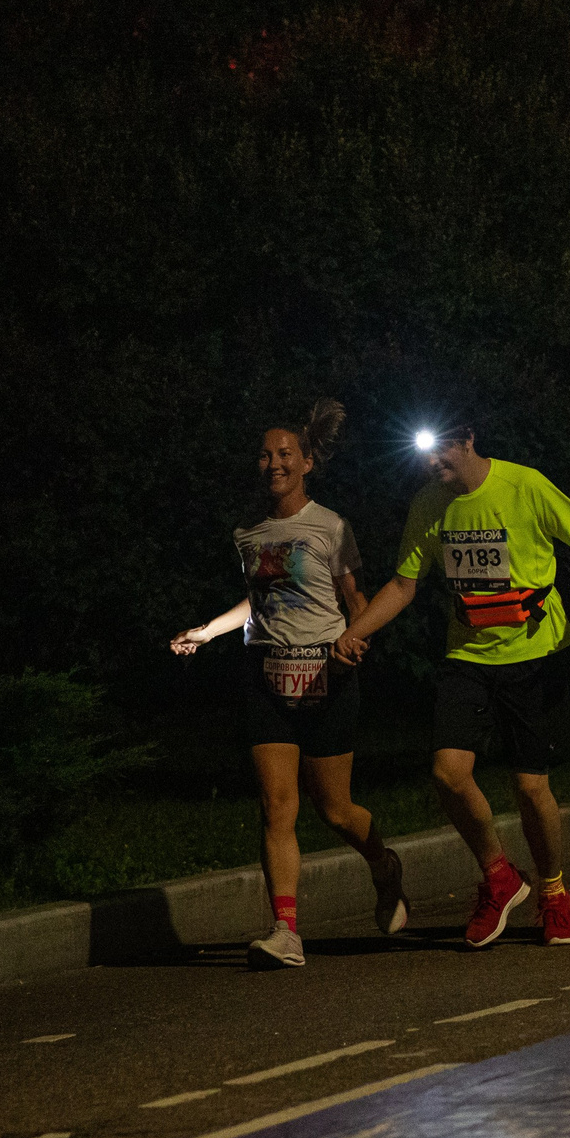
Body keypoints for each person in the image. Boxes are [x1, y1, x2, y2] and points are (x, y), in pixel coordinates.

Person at [336, 424, 570, 947]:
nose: (431, 461)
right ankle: (500, 878)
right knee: (448, 773)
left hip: (534, 653)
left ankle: (553, 893)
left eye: (440, 449)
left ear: (467, 438)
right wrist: (354, 631)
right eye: (423, 454)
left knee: (531, 788)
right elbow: (403, 583)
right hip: (468, 655)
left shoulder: (524, 485)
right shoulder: (429, 504)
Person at [172, 401, 409, 968]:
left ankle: (384, 865)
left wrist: (356, 641)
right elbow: (261, 601)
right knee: (277, 806)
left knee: (335, 810)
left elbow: (354, 599)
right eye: (265, 455)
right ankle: (286, 930)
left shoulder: (330, 526)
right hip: (265, 674)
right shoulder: (248, 532)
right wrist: (207, 632)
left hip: (325, 675)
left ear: (307, 463)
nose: (273, 463)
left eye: (285, 455)